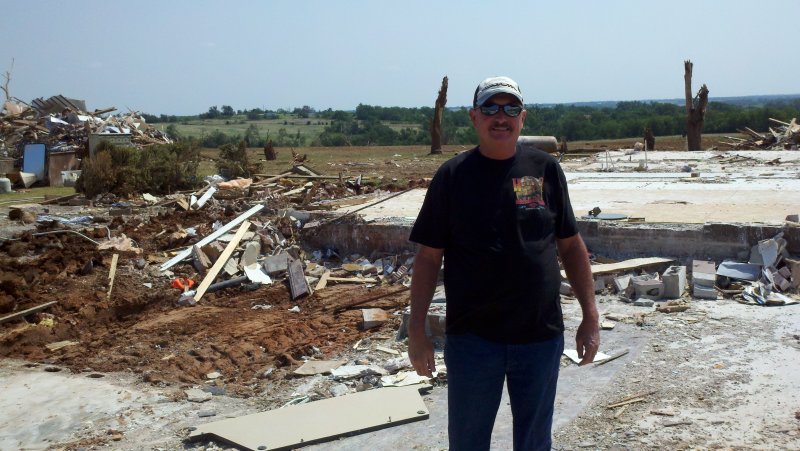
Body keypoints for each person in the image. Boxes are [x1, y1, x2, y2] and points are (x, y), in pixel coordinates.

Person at [408, 76, 599, 451]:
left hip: (540, 337)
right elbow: (428, 258)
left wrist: (590, 315)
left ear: (522, 117)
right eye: (491, 108)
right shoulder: (452, 177)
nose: (501, 117)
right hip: (473, 340)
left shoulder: (545, 170)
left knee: (534, 443)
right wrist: (417, 329)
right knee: (468, 443)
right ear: (474, 117)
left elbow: (571, 246)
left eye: (510, 108)